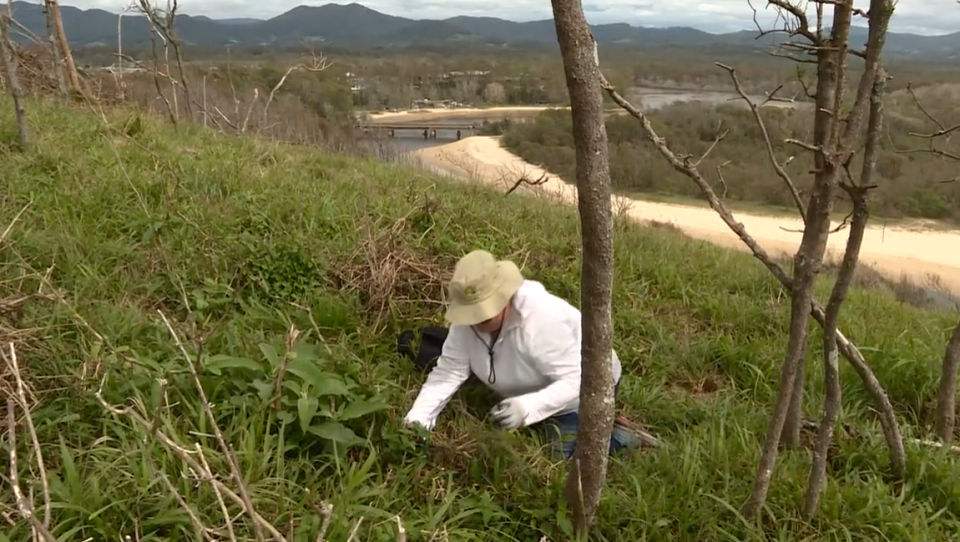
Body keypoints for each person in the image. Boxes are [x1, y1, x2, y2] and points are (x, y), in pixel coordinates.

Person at [402, 249, 642, 459]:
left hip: (584, 388)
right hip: (526, 380)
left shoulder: (543, 320)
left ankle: (619, 435)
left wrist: (528, 407)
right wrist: (418, 421)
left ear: (505, 295)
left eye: (485, 311)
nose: (477, 320)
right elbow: (449, 371)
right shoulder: (464, 324)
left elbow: (578, 378)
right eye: (472, 313)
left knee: (560, 459)